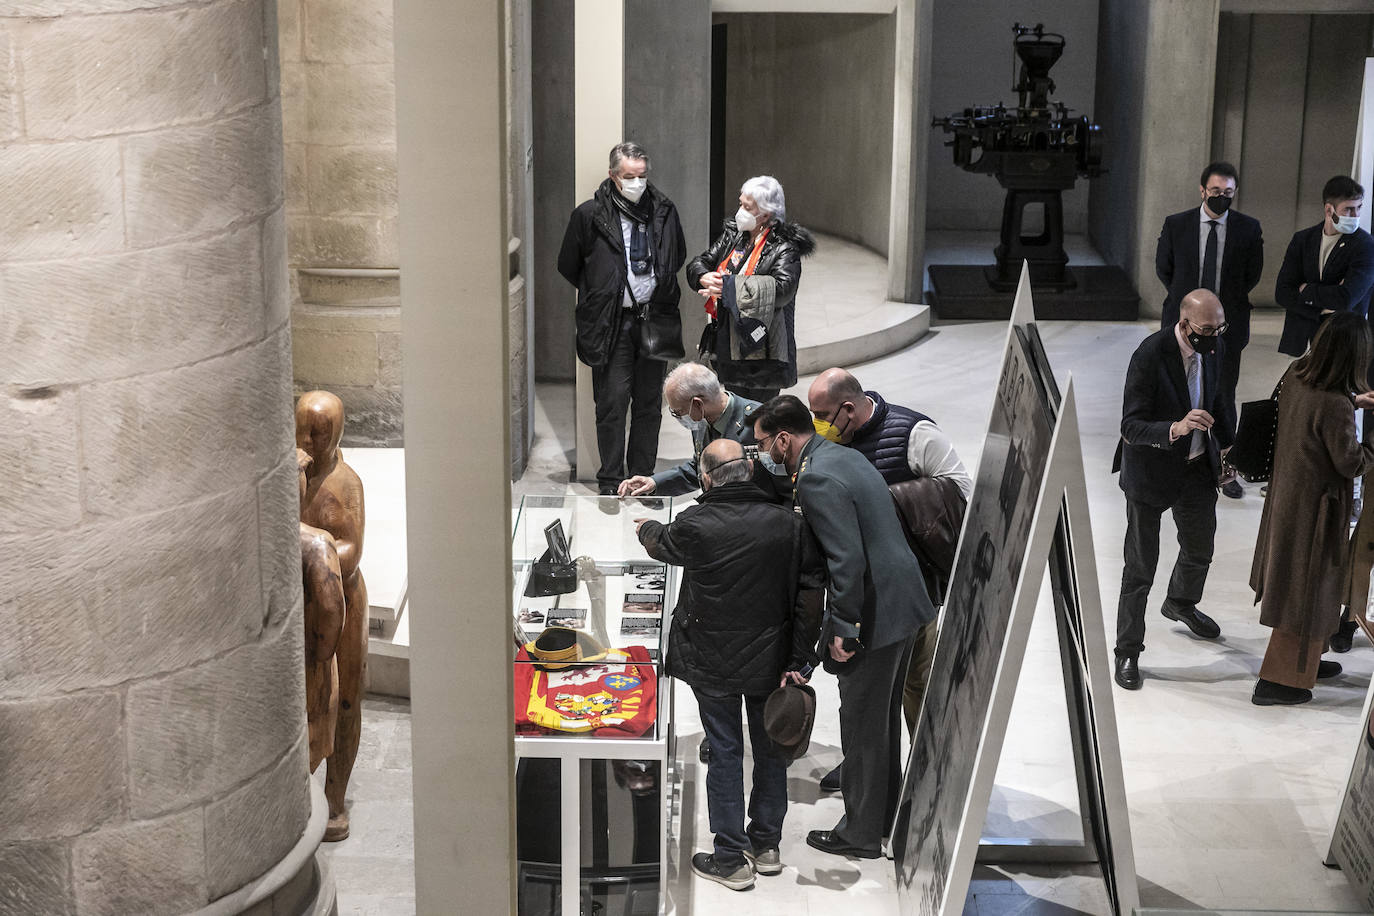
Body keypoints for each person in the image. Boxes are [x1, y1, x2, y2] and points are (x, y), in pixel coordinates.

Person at [635, 439, 824, 890]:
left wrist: (643, 528)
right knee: (771, 749)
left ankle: (729, 858)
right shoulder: (789, 525)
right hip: (772, 657)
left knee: (724, 751)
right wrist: (799, 657)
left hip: (710, 657)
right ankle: (767, 845)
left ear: (706, 478)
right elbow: (810, 595)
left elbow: (662, 545)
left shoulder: (695, 523)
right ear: (750, 470)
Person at [753, 395, 935, 858]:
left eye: (761, 444)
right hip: (906, 602)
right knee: (882, 720)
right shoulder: (844, 456)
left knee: (862, 725)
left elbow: (845, 559)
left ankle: (860, 833)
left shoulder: (815, 477)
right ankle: (884, 812)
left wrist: (844, 626)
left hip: (874, 612)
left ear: (783, 438)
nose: (760, 454)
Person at [806, 368, 971, 793]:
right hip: (862, 593)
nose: (817, 424)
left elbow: (963, 492)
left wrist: (890, 504)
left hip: (917, 590)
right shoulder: (829, 442)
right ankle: (860, 765)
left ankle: (927, 775)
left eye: (822, 414)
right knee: (859, 695)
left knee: (918, 685)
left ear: (848, 408)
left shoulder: (913, 433)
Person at [1111, 290, 1236, 691]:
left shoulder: (1215, 347)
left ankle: (1180, 602)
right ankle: (1128, 650)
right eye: (1206, 330)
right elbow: (1130, 427)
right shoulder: (1150, 355)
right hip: (1150, 471)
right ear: (1184, 325)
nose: (1214, 336)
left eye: (1219, 328)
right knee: (1140, 568)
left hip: (1197, 468)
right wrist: (1176, 428)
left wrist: (1229, 451)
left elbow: (1220, 398)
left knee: (1201, 548)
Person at [1250, 312, 1374, 705]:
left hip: (1289, 499)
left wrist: (1354, 400)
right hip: (1316, 514)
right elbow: (1349, 462)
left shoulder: (1297, 373)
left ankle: (1308, 659)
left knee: (1304, 588)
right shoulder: (1335, 405)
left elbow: (1312, 417)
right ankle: (1277, 682)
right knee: (1303, 593)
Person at [558, 141, 687, 495]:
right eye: (629, 176)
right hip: (612, 322)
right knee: (612, 403)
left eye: (642, 176)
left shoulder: (663, 210)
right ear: (614, 176)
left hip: (654, 321)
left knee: (649, 404)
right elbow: (569, 265)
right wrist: (602, 291)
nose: (637, 183)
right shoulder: (589, 215)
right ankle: (612, 479)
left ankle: (642, 479)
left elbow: (676, 255)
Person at [1155, 162, 1263, 499]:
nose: (1221, 198)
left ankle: (1224, 466)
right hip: (1182, 323)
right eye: (1215, 192)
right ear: (1203, 191)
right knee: (1175, 389)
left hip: (1226, 328)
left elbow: (1251, 276)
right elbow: (1165, 269)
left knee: (1222, 394)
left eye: (1227, 193)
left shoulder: (1248, 228)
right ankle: (1173, 457)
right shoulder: (1178, 225)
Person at [296, 390, 368, 841]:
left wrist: (315, 546)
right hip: (305, 599)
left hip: (344, 599)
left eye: (318, 433)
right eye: (303, 429)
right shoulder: (295, 473)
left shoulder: (346, 483)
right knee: (310, 700)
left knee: (346, 700)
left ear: (336, 433)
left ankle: (336, 795)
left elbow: (351, 550)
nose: (308, 440)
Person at [687, 176, 815, 403]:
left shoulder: (784, 247)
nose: (740, 212)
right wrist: (703, 276)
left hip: (762, 348)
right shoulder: (734, 235)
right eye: (740, 204)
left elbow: (782, 290)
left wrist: (728, 288)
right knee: (730, 416)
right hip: (728, 340)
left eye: (747, 207)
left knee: (759, 422)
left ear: (765, 214)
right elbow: (700, 263)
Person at [616, 362, 763, 498]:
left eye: (678, 412)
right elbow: (701, 468)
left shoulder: (759, 421)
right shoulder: (701, 419)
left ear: (698, 404)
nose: (678, 417)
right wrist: (654, 482)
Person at [1276, 175, 1374, 358]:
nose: (1356, 215)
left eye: (1358, 208)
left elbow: (1346, 298)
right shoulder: (1303, 240)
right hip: (1306, 337)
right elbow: (1282, 292)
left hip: (1346, 338)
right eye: (1349, 210)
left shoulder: (1365, 245)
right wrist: (1326, 302)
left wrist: (1305, 290)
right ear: (1329, 210)